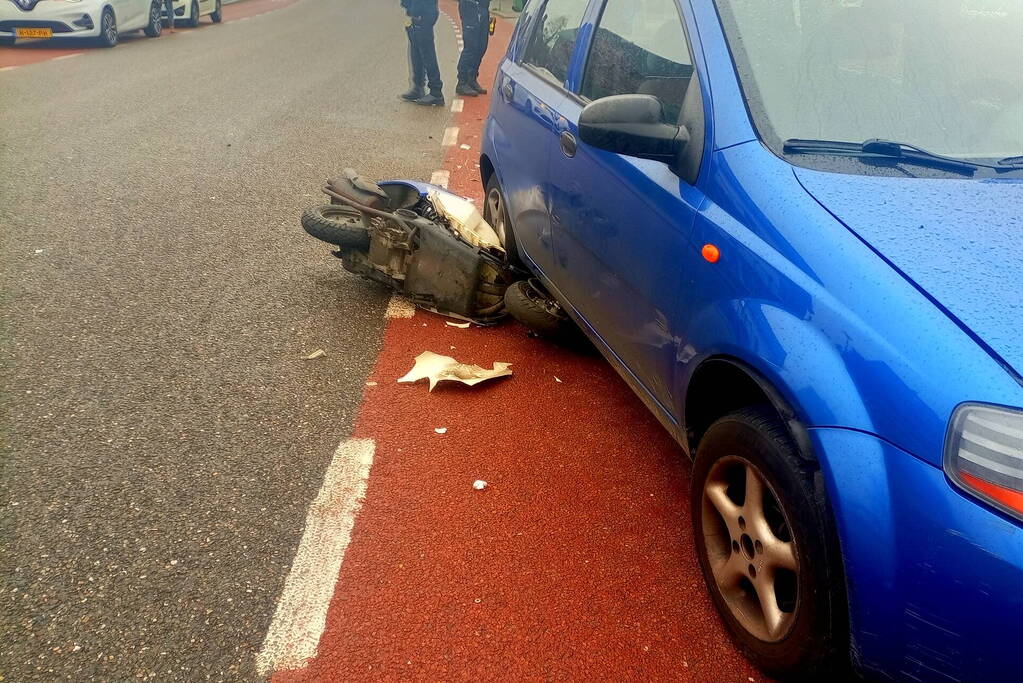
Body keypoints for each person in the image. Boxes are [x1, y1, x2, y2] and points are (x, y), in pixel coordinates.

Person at [400, 0, 444, 107]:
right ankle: (418, 87)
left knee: (427, 53)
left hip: (423, 12)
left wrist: (415, 10)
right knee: (416, 52)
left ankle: (436, 91)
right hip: (418, 12)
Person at [456, 0, 491, 96]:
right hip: (470, 8)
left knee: (481, 47)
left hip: (483, 8)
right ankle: (462, 82)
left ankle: (472, 78)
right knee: (470, 48)